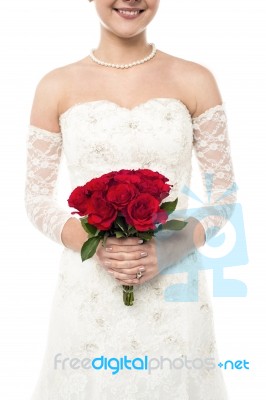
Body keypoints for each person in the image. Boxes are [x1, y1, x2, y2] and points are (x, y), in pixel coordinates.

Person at [26, 0, 236, 398]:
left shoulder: (195, 79)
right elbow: (36, 197)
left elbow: (224, 194)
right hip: (89, 288)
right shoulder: (55, 85)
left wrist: (172, 248)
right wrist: (98, 247)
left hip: (175, 291)